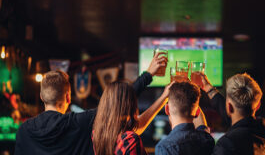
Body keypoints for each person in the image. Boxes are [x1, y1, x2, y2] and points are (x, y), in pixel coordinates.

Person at [14, 52, 167, 155]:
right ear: (68, 97)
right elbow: (118, 101)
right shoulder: (80, 123)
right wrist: (148, 74)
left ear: (41, 96)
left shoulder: (23, 131)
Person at [92, 81, 172, 155]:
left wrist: (164, 97)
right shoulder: (130, 140)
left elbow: (140, 124)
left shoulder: (97, 133)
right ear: (131, 105)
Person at [211, 73, 265, 155]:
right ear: (258, 105)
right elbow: (241, 122)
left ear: (229, 107)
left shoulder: (226, 144)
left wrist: (202, 129)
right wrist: (209, 90)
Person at [155, 82, 215, 155]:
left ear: (167, 109)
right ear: (197, 112)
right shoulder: (206, 139)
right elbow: (202, 126)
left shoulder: (164, 147)